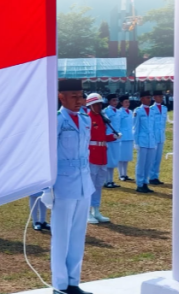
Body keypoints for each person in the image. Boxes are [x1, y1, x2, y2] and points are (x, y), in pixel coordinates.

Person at [41, 78, 94, 294]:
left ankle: (73, 282)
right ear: (61, 96)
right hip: (62, 184)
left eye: (80, 95)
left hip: (83, 183)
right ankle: (60, 285)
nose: (79, 100)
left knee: (78, 235)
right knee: (61, 237)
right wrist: (47, 188)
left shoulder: (85, 119)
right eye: (73, 96)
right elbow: (46, 156)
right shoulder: (56, 121)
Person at [86, 93, 120, 224]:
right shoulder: (88, 118)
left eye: (100, 104)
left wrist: (113, 137)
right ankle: (87, 211)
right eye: (96, 104)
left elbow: (102, 137)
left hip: (102, 153)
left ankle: (96, 210)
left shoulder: (101, 118)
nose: (99, 106)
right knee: (90, 184)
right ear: (90, 105)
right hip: (92, 154)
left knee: (99, 184)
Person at [133, 90, 157, 193]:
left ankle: (145, 182)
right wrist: (136, 142)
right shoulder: (138, 111)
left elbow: (154, 127)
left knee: (149, 163)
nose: (149, 99)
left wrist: (155, 140)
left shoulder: (152, 111)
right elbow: (135, 127)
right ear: (141, 99)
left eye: (149, 97)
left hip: (151, 141)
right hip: (142, 140)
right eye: (147, 97)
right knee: (141, 163)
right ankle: (139, 183)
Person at [103, 94, 122, 188]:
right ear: (109, 101)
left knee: (114, 160)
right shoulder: (106, 111)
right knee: (109, 160)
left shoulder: (118, 111)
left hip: (116, 137)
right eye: (114, 100)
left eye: (116, 100)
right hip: (109, 137)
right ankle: (107, 181)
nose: (115, 102)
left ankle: (111, 180)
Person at [149, 90, 167, 185]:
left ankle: (156, 176)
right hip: (153, 136)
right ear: (154, 98)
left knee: (158, 158)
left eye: (162, 96)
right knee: (153, 158)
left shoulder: (164, 108)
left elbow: (164, 123)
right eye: (159, 96)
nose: (161, 98)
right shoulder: (151, 109)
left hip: (161, 136)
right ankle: (151, 176)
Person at [118, 95, 134, 181]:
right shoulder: (119, 112)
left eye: (128, 102)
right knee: (121, 157)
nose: (127, 104)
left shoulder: (131, 112)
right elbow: (118, 124)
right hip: (122, 136)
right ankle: (121, 174)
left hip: (129, 136)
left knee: (127, 157)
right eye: (125, 102)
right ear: (121, 103)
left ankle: (125, 174)